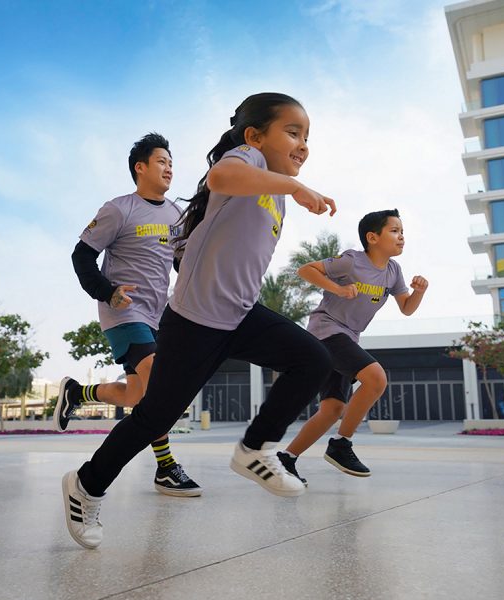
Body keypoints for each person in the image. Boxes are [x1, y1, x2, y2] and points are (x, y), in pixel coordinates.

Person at [62, 92, 337, 549]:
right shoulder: (246, 159)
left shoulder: (273, 192)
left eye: (307, 137)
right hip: (195, 320)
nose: (303, 144)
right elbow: (222, 174)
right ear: (254, 136)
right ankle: (86, 486)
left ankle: (255, 449)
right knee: (153, 416)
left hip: (239, 314)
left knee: (313, 358)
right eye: (292, 132)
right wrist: (293, 186)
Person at [56, 132, 202, 498]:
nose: (169, 168)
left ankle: (78, 392)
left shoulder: (175, 215)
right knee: (159, 382)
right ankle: (166, 467)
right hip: (124, 312)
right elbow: (82, 256)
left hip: (159, 315)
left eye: (171, 162)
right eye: (161, 161)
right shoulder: (119, 209)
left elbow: (182, 263)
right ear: (140, 167)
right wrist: (108, 292)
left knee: (138, 394)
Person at [276, 209, 428, 484]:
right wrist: (337, 289)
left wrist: (418, 292)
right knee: (376, 378)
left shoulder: (393, 272)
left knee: (333, 409)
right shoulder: (351, 261)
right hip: (326, 331)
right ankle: (341, 445)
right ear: (372, 237)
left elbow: (406, 308)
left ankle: (286, 459)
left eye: (402, 231)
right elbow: (306, 269)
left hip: (348, 337)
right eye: (394, 230)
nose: (401, 237)